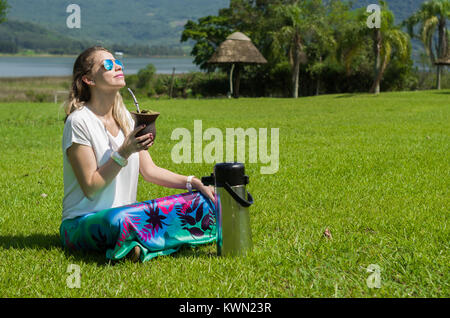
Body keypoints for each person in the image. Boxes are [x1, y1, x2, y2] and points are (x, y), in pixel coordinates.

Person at [60, 46, 216, 262]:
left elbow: (149, 171)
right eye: (107, 65)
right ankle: (152, 241)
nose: (117, 67)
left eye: (117, 63)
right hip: (82, 223)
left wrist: (192, 182)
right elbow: (91, 187)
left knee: (202, 201)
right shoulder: (79, 122)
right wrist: (124, 152)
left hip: (127, 214)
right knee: (120, 221)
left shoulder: (124, 117)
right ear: (89, 79)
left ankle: (138, 243)